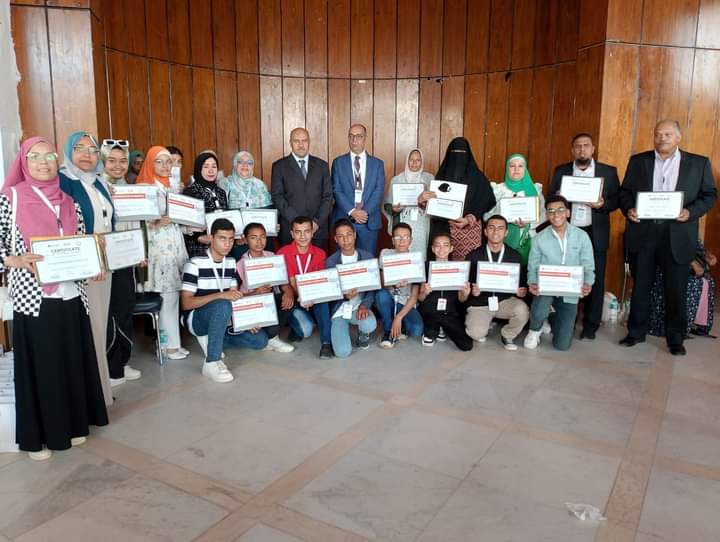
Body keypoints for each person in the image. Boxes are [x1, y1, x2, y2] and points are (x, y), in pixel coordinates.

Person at [1, 136, 108, 460]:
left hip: (72, 293)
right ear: (23, 161)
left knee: (72, 360)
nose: (44, 163)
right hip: (34, 297)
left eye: (49, 156)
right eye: (35, 157)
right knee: (44, 365)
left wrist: (94, 264)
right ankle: (41, 437)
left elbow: (81, 241)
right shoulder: (10, 198)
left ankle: (73, 425)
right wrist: (14, 259)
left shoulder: (68, 201)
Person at [619, 119, 717, 355]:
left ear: (678, 137)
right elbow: (625, 193)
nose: (662, 138)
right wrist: (629, 209)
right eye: (658, 134)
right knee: (641, 286)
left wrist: (690, 212)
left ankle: (675, 338)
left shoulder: (698, 163)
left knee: (676, 289)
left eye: (668, 134)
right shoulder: (638, 161)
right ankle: (636, 332)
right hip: (644, 233)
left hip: (678, 234)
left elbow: (709, 195)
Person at [58, 131, 114, 405]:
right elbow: (65, 227)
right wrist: (91, 255)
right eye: (79, 148)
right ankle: (92, 396)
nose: (86, 155)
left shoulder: (99, 182)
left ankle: (101, 390)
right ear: (69, 152)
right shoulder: (63, 181)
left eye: (92, 150)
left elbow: (108, 222)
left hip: (105, 263)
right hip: (84, 265)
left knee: (99, 328)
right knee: (89, 329)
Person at [549, 133, 621, 340]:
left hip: (595, 232)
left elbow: (617, 200)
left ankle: (590, 326)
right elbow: (552, 198)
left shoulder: (608, 171)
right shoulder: (561, 171)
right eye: (578, 146)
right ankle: (566, 322)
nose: (582, 149)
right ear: (573, 150)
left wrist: (602, 204)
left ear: (593, 149)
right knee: (567, 277)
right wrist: (559, 198)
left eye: (586, 145)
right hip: (568, 231)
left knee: (594, 280)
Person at [180, 219, 268, 383]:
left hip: (224, 316)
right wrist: (221, 295)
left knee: (260, 340)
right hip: (197, 319)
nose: (227, 244)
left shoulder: (231, 262)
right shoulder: (194, 264)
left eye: (230, 239)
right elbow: (187, 304)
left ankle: (216, 337)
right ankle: (211, 362)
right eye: (222, 238)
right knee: (222, 304)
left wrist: (248, 320)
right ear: (210, 238)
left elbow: (234, 297)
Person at [136, 146, 189, 360]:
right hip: (159, 249)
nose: (165, 166)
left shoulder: (171, 186)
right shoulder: (144, 187)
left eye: (168, 161)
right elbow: (142, 219)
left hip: (174, 246)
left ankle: (174, 343)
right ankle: (168, 347)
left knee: (173, 297)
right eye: (159, 161)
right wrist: (160, 220)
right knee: (167, 298)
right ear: (150, 163)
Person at [524, 196, 595, 351]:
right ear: (547, 215)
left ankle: (550, 317)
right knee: (540, 308)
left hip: (570, 291)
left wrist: (587, 283)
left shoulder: (582, 236)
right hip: (546, 289)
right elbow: (532, 266)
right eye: (551, 211)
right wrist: (532, 282)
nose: (556, 214)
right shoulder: (539, 239)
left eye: (560, 210)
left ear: (568, 213)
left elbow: (588, 266)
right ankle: (535, 329)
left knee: (562, 345)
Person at [99, 138, 142, 385]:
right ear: (103, 161)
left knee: (125, 310)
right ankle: (109, 366)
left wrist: (139, 254)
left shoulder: (131, 190)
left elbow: (137, 225)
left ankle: (122, 362)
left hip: (126, 260)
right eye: (112, 160)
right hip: (103, 263)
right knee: (108, 314)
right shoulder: (96, 188)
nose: (118, 166)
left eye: (122, 161)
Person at [465, 215, 529, 350]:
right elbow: (465, 287)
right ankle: (484, 322)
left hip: (504, 302)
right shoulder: (473, 256)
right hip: (480, 303)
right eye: (491, 228)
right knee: (476, 334)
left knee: (522, 310)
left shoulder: (514, 256)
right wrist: (472, 292)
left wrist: (521, 292)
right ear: (485, 231)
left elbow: (521, 285)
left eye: (500, 228)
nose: (495, 232)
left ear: (506, 232)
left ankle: (508, 334)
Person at [429, 137, 496, 261]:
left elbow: (487, 200)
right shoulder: (441, 176)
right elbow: (434, 203)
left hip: (469, 231)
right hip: (444, 230)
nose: (457, 159)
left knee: (468, 265)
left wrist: (470, 218)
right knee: (443, 265)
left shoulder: (477, 177)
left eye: (462, 153)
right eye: (454, 153)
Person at [277, 215, 334, 359]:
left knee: (323, 302)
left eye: (307, 231)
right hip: (295, 299)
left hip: (313, 297)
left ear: (312, 232)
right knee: (306, 330)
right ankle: (297, 327)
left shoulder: (320, 254)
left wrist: (311, 297)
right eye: (298, 232)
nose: (303, 236)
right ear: (292, 234)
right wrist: (299, 295)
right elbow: (287, 280)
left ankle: (326, 343)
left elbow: (320, 282)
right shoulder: (283, 253)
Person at [235, 221, 295, 353]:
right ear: (245, 239)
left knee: (287, 300)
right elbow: (235, 297)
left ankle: (272, 337)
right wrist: (255, 293)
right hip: (252, 305)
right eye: (253, 237)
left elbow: (284, 283)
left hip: (271, 301)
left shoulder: (272, 257)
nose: (259, 241)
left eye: (262, 237)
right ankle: (270, 337)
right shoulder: (240, 264)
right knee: (259, 336)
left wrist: (289, 293)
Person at [271, 128, 333, 249]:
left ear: (309, 142)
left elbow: (328, 196)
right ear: (290, 143)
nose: (300, 145)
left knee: (319, 261)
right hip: (291, 229)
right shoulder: (279, 166)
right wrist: (297, 223)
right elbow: (277, 196)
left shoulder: (322, 165)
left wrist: (316, 222)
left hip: (317, 230)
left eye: (304, 141)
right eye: (296, 141)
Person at [325, 219, 378, 358]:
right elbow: (330, 292)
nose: (346, 240)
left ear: (354, 235)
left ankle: (363, 333)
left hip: (359, 307)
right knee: (343, 353)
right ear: (336, 239)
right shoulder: (331, 262)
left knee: (369, 324)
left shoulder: (367, 257)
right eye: (341, 236)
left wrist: (364, 305)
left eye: (348, 235)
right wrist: (343, 296)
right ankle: (341, 329)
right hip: (340, 310)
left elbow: (372, 288)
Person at [331, 124, 385, 255]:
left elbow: (378, 190)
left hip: (368, 220)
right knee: (343, 261)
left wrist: (364, 212)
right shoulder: (338, 162)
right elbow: (336, 189)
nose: (354, 139)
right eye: (351, 136)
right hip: (344, 218)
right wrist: (352, 211)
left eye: (359, 136)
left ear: (365, 138)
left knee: (367, 260)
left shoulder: (377, 164)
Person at [484, 154, 546, 265]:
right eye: (512, 166)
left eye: (520, 166)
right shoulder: (498, 190)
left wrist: (529, 223)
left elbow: (543, 215)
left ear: (525, 169)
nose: (516, 169)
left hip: (528, 239)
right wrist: (503, 215)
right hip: (501, 239)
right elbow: (486, 216)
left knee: (526, 269)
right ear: (507, 168)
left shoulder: (535, 190)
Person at [649, 241, 716, 338]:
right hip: (669, 265)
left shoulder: (691, 232)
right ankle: (678, 326)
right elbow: (672, 248)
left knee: (707, 281)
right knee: (694, 282)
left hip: (684, 263)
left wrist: (707, 256)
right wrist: (693, 263)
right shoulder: (669, 232)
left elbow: (698, 248)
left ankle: (697, 324)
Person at [417, 233, 473, 350]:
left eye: (445, 245)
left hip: (449, 312)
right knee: (429, 337)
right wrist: (425, 292)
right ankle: (436, 328)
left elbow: (461, 299)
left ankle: (442, 326)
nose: (441, 249)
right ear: (433, 249)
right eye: (437, 245)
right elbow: (420, 298)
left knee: (466, 345)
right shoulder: (426, 266)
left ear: (451, 248)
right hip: (430, 310)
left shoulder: (458, 268)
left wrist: (465, 294)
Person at [375, 222, 424, 348]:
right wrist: (393, 286)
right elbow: (382, 283)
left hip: (406, 301)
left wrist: (399, 317)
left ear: (411, 240)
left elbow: (414, 297)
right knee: (380, 295)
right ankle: (388, 330)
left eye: (406, 237)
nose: (402, 241)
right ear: (392, 240)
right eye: (398, 237)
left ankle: (398, 323)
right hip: (389, 298)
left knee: (416, 330)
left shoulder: (416, 259)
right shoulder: (385, 253)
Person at [383, 148, 433, 255]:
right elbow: (387, 204)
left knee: (420, 252)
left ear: (422, 161)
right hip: (403, 220)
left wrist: (423, 203)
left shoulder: (429, 179)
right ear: (407, 161)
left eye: (418, 160)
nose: (414, 163)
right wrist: (394, 209)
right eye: (411, 160)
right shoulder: (396, 179)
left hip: (422, 222)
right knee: (402, 250)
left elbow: (435, 205)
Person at [183, 152, 228, 258]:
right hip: (199, 246)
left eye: (214, 167)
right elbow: (185, 223)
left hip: (221, 245)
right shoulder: (190, 192)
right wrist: (199, 237)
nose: (211, 170)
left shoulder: (221, 192)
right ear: (199, 169)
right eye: (206, 167)